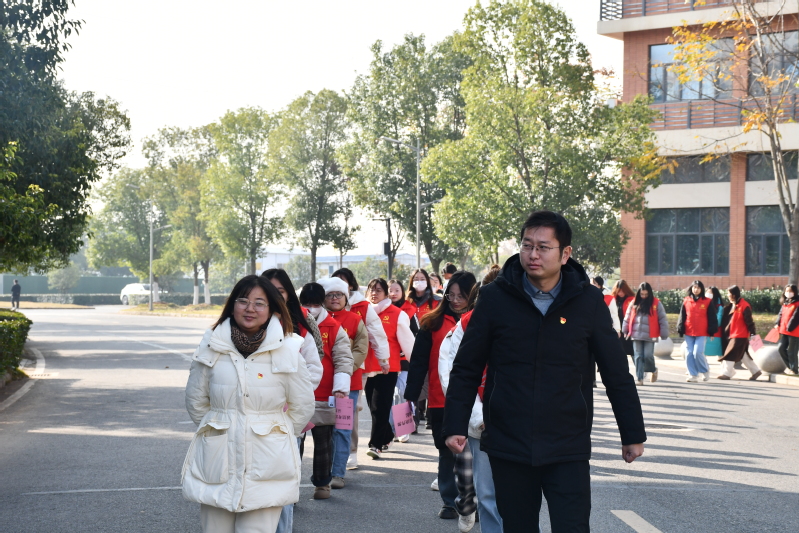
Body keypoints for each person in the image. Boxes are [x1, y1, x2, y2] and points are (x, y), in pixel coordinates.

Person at [443, 211, 646, 533]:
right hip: (509, 440)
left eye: (543, 247)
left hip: (568, 442)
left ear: (565, 253)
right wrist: (454, 424)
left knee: (573, 526)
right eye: (527, 246)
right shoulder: (495, 298)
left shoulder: (588, 301)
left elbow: (616, 372)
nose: (533, 255)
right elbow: (466, 368)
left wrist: (632, 433)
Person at [182, 275, 315, 533]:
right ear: (232, 305)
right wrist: (220, 426)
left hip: (268, 462)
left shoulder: (288, 349)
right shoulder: (211, 345)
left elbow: (302, 406)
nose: (250, 309)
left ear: (272, 309)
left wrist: (276, 432)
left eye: (259, 303)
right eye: (243, 301)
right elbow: (196, 401)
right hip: (218, 460)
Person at [438, 265, 507, 533]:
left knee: (519, 496)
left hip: (521, 423)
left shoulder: (530, 322)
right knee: (487, 494)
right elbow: (454, 376)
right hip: (482, 424)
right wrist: (479, 418)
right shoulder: (465, 326)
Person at [405, 271, 477, 524]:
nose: (455, 300)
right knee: (447, 452)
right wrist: (411, 396)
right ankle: (449, 500)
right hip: (441, 398)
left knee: (476, 453)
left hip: (475, 400)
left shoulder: (482, 321)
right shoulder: (431, 323)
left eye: (461, 296)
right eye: (451, 295)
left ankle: (474, 501)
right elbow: (418, 362)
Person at [261, 269, 323, 531]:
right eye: (267, 290)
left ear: (288, 295)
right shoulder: (242, 326)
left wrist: (290, 402)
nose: (274, 296)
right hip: (250, 420)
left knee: (282, 483)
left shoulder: (300, 330)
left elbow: (314, 370)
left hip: (285, 419)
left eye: (280, 291)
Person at [298, 283, 354, 500]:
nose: (311, 308)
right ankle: (292, 486)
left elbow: (344, 358)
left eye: (315, 303)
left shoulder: (333, 326)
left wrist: (341, 387)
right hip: (297, 394)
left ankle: (322, 484)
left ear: (322, 303)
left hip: (325, 393)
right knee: (296, 443)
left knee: (322, 443)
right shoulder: (293, 322)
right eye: (307, 303)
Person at [332, 268, 390, 469]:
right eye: (335, 282)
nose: (339, 288)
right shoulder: (323, 308)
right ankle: (331, 453)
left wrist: (383, 359)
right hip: (326, 368)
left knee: (350, 409)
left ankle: (350, 451)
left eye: (344, 282)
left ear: (351, 285)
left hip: (354, 367)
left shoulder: (362, 307)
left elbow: (376, 333)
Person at [317, 277, 369, 490]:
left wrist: (344, 370)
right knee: (323, 430)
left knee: (343, 428)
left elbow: (361, 348)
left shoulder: (355, 320)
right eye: (330, 295)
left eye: (339, 294)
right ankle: (323, 471)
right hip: (321, 384)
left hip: (349, 385)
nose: (334, 298)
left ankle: (338, 473)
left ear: (346, 298)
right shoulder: (315, 319)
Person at [364, 278, 415, 459]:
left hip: (388, 368)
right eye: (371, 289)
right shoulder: (362, 312)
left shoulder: (397, 314)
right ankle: (386, 435)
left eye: (378, 290)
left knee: (380, 406)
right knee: (372, 406)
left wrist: (416, 366)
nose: (374, 293)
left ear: (386, 294)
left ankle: (375, 444)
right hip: (366, 367)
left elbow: (408, 343)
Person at [623, 282, 669, 385]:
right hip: (636, 334)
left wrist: (664, 332)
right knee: (638, 356)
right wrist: (625, 329)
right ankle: (639, 378)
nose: (644, 296)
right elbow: (627, 317)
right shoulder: (634, 302)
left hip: (650, 334)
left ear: (650, 293)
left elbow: (662, 319)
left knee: (648, 356)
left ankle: (653, 369)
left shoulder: (656, 303)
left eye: (646, 294)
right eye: (642, 294)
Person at [388, 278, 415, 443]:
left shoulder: (410, 311)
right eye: (390, 290)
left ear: (402, 292)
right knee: (389, 396)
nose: (393, 293)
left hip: (405, 361)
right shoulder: (379, 311)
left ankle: (403, 429)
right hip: (387, 361)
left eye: (396, 290)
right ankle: (390, 430)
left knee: (401, 393)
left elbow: (415, 335)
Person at [677, 280, 718, 383]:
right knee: (689, 353)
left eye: (698, 288)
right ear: (691, 288)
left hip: (702, 332)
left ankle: (705, 370)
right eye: (694, 287)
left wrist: (712, 331)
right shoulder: (686, 300)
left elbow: (712, 317)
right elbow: (682, 316)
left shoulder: (707, 301)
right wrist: (680, 328)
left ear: (702, 289)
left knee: (697, 352)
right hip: (689, 331)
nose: (696, 290)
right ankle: (693, 374)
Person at [719, 286, 762, 381]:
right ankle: (755, 371)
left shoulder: (744, 306)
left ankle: (727, 373)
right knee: (743, 355)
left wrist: (753, 334)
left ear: (734, 295)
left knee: (730, 353)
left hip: (740, 335)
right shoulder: (734, 305)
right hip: (734, 334)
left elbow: (750, 322)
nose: (727, 295)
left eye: (729, 293)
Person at [774, 284, 799, 375]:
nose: (788, 293)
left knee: (792, 351)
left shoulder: (797, 303)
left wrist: (789, 328)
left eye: (790, 291)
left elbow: (796, 318)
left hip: (794, 332)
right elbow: (780, 314)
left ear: (795, 292)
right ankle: (791, 367)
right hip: (784, 331)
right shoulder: (786, 302)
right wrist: (777, 323)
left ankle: (794, 370)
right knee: (781, 348)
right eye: (787, 291)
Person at [608, 280, 636, 354]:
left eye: (623, 291)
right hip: (616, 327)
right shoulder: (612, 300)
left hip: (628, 328)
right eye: (619, 291)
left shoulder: (632, 299)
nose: (621, 293)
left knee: (632, 350)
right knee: (619, 350)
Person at [704, 286, 725, 359]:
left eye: (710, 292)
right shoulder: (704, 303)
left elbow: (718, 320)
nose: (708, 294)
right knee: (702, 351)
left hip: (716, 331)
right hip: (706, 330)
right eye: (707, 292)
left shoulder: (719, 306)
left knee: (719, 351)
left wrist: (711, 326)